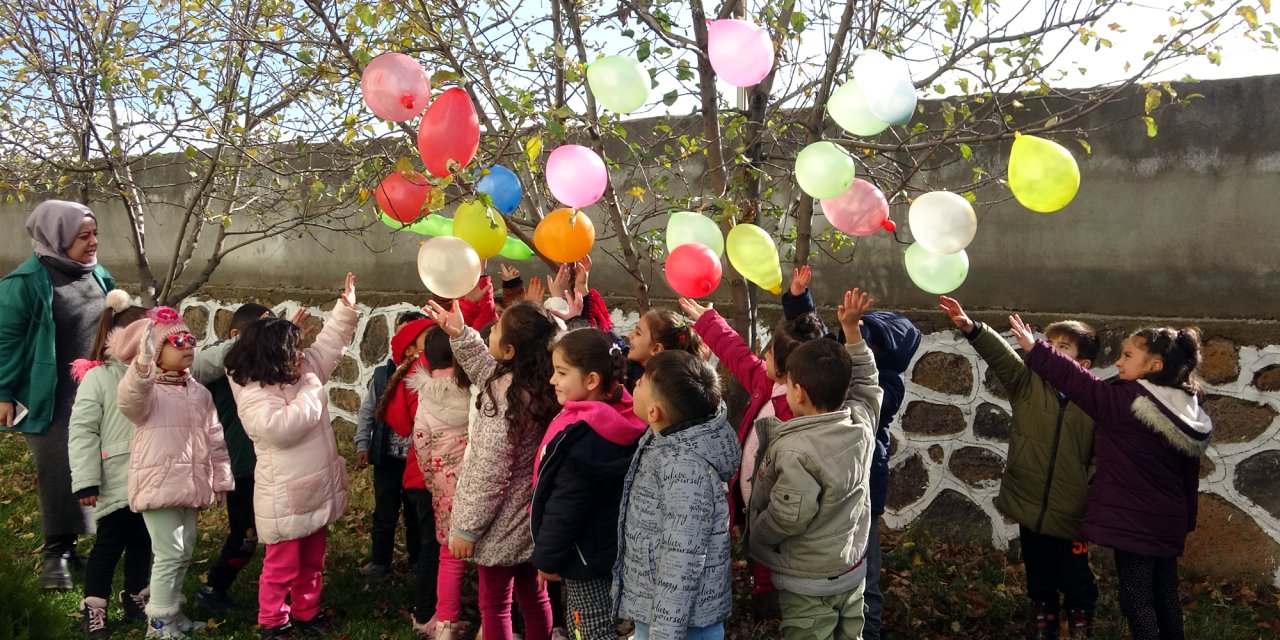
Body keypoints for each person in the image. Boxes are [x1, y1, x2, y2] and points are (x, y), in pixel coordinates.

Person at [1010, 318, 1212, 640]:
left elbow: (1078, 382)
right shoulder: (1188, 409)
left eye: (1128, 355)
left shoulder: (1125, 404)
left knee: (1136, 599)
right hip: (1167, 522)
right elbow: (1190, 477)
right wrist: (1186, 521)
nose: (1118, 361)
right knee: (1165, 594)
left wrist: (1038, 349)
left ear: (1154, 365)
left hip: (1134, 522)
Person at [939, 296, 1098, 638]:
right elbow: (1002, 358)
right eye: (1049, 344)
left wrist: (1089, 490)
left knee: (1075, 574)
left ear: (1083, 364)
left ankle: (1081, 621)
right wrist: (971, 328)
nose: (1049, 351)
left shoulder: (1096, 401)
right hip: (1029, 501)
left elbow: (1100, 458)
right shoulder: (1028, 386)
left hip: (1072, 511)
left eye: (1062, 347)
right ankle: (1045, 621)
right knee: (1039, 569)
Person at [783, 269, 922, 639]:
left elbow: (855, 389)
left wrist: (852, 334)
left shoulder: (886, 385)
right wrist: (799, 299)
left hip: (860, 496)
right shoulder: (843, 361)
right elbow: (816, 341)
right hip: (823, 504)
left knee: (864, 578)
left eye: (858, 340)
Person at [225, 274, 360, 639]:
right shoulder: (255, 391)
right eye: (294, 350)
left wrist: (345, 309)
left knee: (313, 562)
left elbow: (329, 346)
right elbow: (280, 428)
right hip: (285, 498)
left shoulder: (299, 373)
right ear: (272, 357)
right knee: (282, 565)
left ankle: (306, 612)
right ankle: (273, 620)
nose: (303, 356)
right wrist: (313, 392)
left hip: (314, 489)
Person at [678, 295, 826, 619]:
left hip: (777, 507)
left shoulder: (800, 412)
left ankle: (778, 604)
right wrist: (709, 321)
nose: (765, 354)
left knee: (776, 552)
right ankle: (763, 597)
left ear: (788, 370)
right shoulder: (764, 380)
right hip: (751, 499)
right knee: (758, 548)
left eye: (771, 351)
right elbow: (737, 354)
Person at [746, 289, 882, 640]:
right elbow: (867, 385)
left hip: (807, 581)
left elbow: (788, 515)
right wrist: (852, 331)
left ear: (799, 393)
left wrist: (756, 533)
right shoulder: (861, 423)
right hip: (852, 568)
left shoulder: (794, 449)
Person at [0, 200, 115, 588]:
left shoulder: (97, 275)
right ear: (58, 237)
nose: (93, 242)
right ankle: (57, 554)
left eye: (95, 234)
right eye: (84, 236)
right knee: (58, 469)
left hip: (95, 389)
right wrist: (2, 393)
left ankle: (89, 542)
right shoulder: (25, 283)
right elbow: (5, 341)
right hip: (48, 393)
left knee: (92, 464)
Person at [428, 299, 558, 640]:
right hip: (531, 514)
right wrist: (460, 333)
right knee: (534, 596)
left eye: (497, 327)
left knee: (495, 603)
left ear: (511, 350)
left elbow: (489, 471)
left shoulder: (503, 400)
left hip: (499, 519)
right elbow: (485, 367)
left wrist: (467, 529)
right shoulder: (538, 383)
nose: (492, 329)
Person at [115, 307, 233, 638]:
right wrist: (142, 365)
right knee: (168, 553)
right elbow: (129, 402)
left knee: (184, 552)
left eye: (191, 339)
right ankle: (159, 624)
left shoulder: (199, 392)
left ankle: (173, 613)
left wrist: (221, 478)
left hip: (190, 485)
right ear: (156, 350)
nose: (187, 345)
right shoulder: (148, 390)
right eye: (176, 340)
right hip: (159, 484)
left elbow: (216, 438)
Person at [614, 350, 740, 640]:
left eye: (641, 382)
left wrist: (664, 634)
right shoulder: (665, 439)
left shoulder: (684, 469)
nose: (634, 384)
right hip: (660, 616)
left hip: (681, 627)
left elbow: (681, 559)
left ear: (654, 412)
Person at [532, 328, 647, 640]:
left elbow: (566, 506)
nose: (553, 380)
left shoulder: (582, 438)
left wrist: (547, 559)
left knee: (588, 629)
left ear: (592, 380)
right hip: (609, 548)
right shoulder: (623, 417)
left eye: (561, 372)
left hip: (583, 555)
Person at [68, 292, 151, 638]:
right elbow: (82, 431)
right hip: (114, 478)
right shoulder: (98, 379)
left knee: (143, 541)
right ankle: (94, 606)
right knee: (109, 545)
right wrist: (86, 481)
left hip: (149, 477)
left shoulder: (156, 377)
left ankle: (135, 595)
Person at [191, 303, 277, 611]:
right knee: (245, 534)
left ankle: (284, 587)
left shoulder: (265, 365)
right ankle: (214, 587)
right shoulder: (220, 366)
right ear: (236, 336)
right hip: (243, 468)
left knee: (280, 531)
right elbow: (197, 366)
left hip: (272, 463)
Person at [402, 326, 474, 639]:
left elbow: (422, 445)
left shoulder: (425, 398)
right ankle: (496, 620)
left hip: (444, 491)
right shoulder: (477, 392)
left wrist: (433, 483)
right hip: (480, 488)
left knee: (448, 556)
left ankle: (445, 623)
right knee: (488, 562)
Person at [354, 310, 428, 581]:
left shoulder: (427, 377)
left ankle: (419, 561)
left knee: (415, 514)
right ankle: (380, 562)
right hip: (387, 459)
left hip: (415, 461)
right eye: (401, 334)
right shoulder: (383, 375)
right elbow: (368, 411)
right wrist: (363, 444)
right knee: (384, 511)